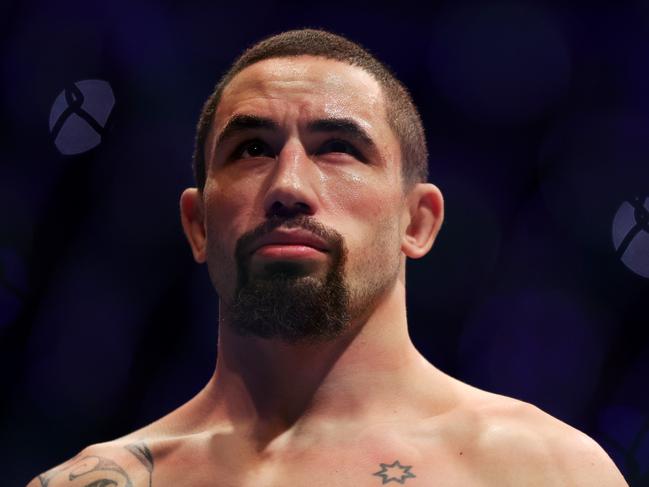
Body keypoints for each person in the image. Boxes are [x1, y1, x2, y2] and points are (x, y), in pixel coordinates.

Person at [28, 28, 628, 486]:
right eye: (252, 148)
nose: (288, 185)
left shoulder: (539, 471)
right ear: (198, 224)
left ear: (417, 222)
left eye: (339, 148)